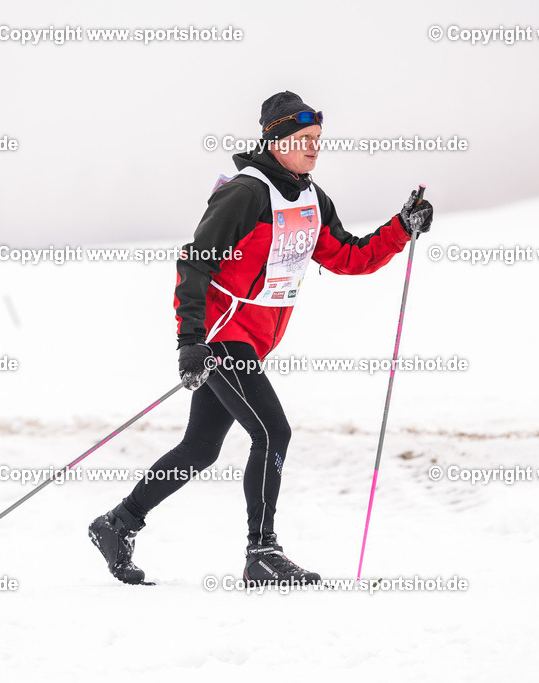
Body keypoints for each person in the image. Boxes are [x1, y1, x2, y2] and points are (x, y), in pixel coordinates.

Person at [89, 91, 433, 585]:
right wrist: (190, 340)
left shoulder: (313, 200)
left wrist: (402, 227)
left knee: (201, 447)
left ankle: (117, 523)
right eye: (304, 139)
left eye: (318, 140)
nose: (315, 149)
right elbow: (195, 262)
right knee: (273, 431)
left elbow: (349, 257)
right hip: (224, 338)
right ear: (275, 141)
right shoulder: (245, 194)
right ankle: (262, 552)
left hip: (253, 342)